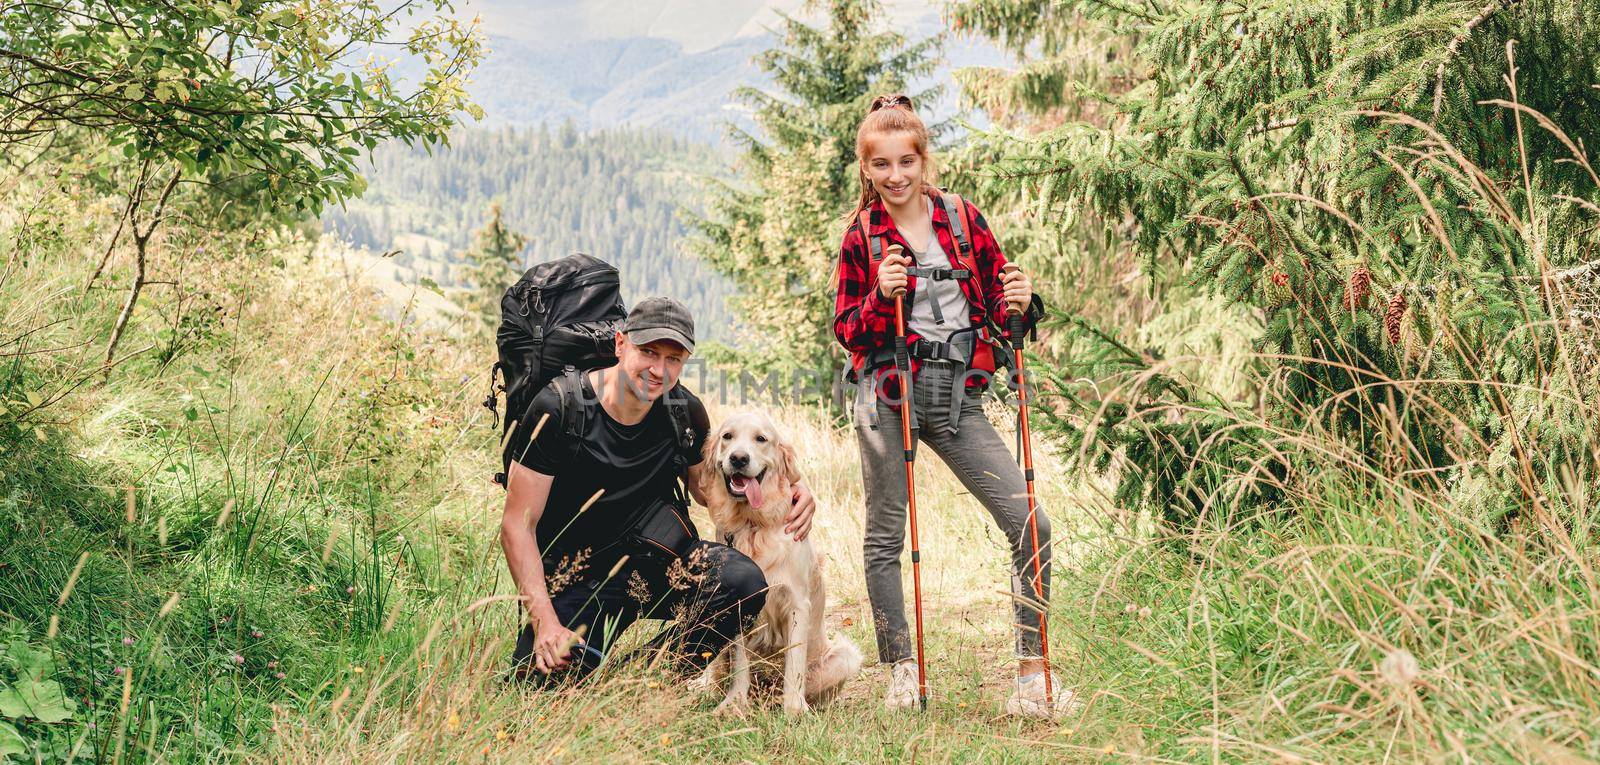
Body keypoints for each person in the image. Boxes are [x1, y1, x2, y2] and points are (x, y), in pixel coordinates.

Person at [832, 94, 1067, 717]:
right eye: (881, 165)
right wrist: (882, 297)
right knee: (885, 536)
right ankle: (901, 671)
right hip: (889, 395)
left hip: (958, 396)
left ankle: (1031, 677)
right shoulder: (861, 237)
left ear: (922, 159)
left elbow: (997, 307)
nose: (896, 176)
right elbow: (849, 330)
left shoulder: (962, 219)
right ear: (867, 168)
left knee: (1030, 524)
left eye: (907, 160)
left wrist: (1020, 301)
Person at [500, 296, 818, 680]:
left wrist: (797, 489)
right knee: (540, 683)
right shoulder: (561, 407)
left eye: (673, 358)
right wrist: (546, 625)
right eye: (648, 351)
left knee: (744, 582)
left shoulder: (682, 411)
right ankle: (584, 663)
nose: (658, 369)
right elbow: (517, 526)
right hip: (580, 576)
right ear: (620, 343)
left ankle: (647, 678)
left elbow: (711, 489)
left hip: (660, 569)